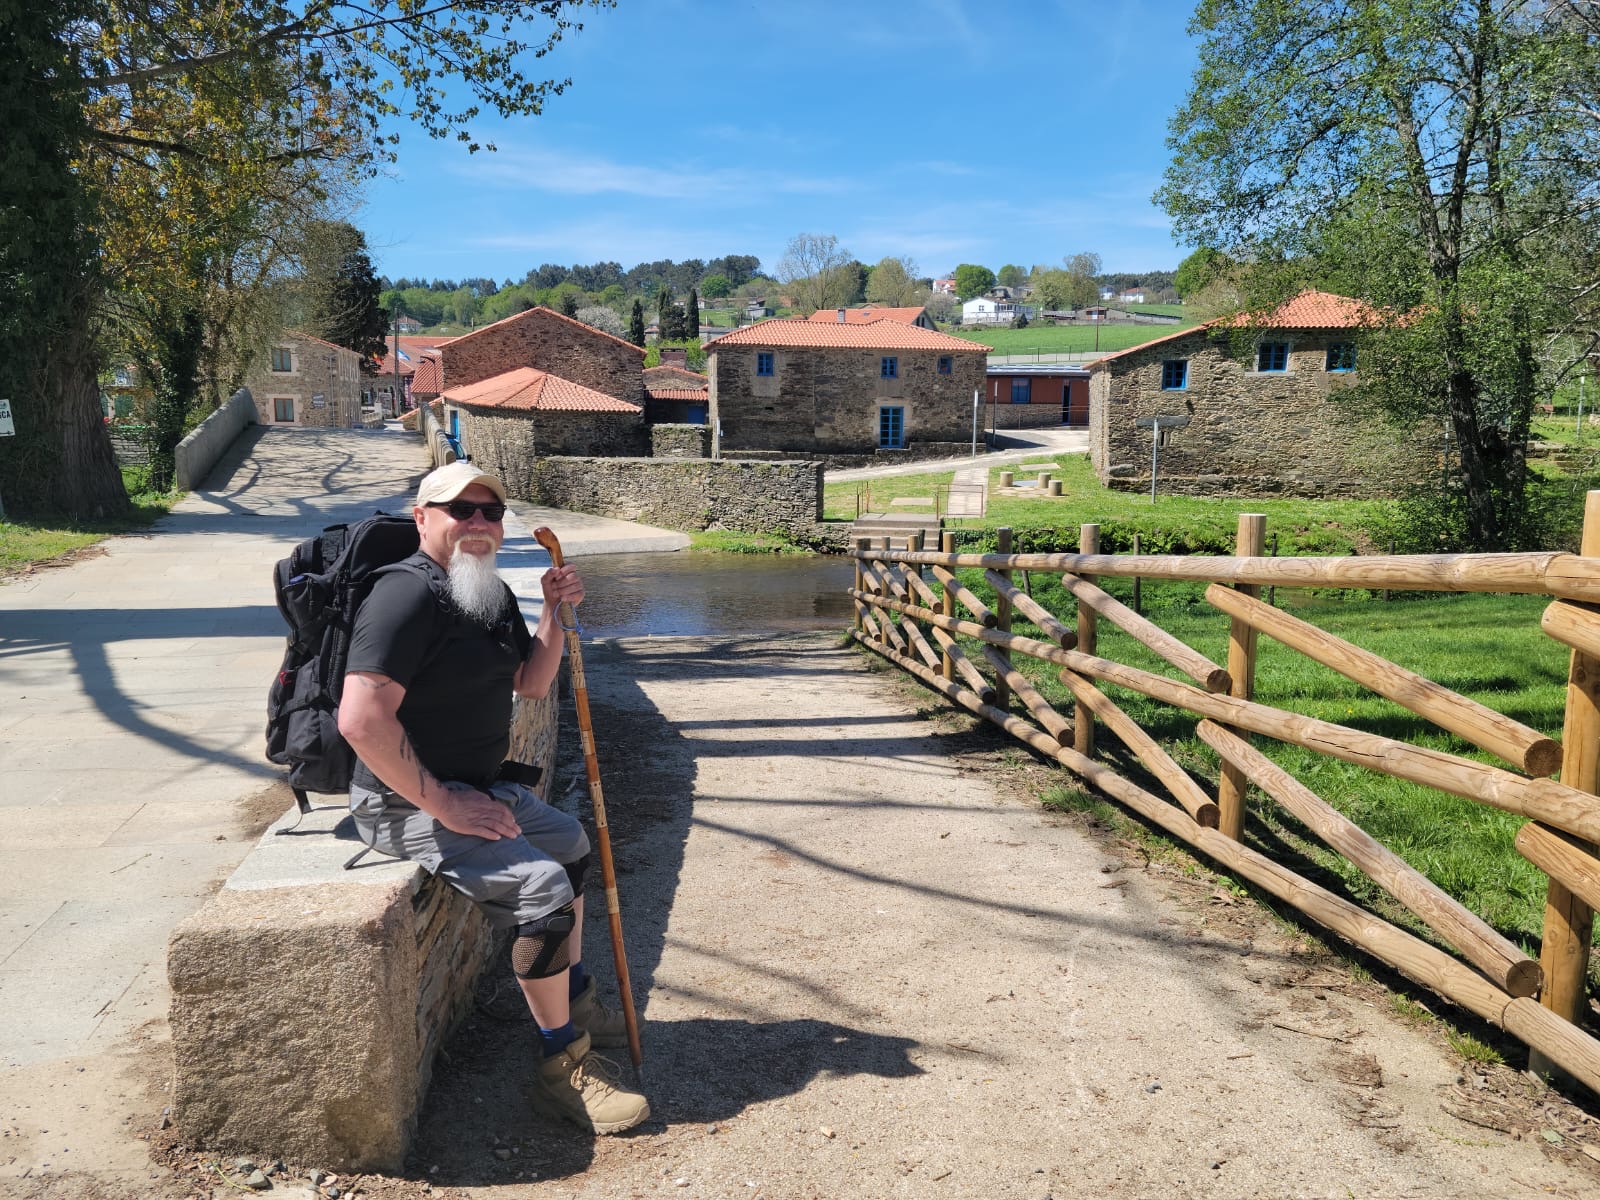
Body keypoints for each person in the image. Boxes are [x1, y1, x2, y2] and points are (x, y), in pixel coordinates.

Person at [338, 459, 649, 1135]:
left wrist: (554, 614)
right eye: (460, 510)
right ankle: (560, 1067)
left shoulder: (488, 592)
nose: (478, 522)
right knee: (540, 887)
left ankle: (573, 998)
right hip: (404, 802)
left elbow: (533, 685)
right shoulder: (404, 596)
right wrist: (443, 806)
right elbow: (361, 721)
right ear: (423, 518)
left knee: (568, 843)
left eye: (491, 512)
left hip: (479, 784)